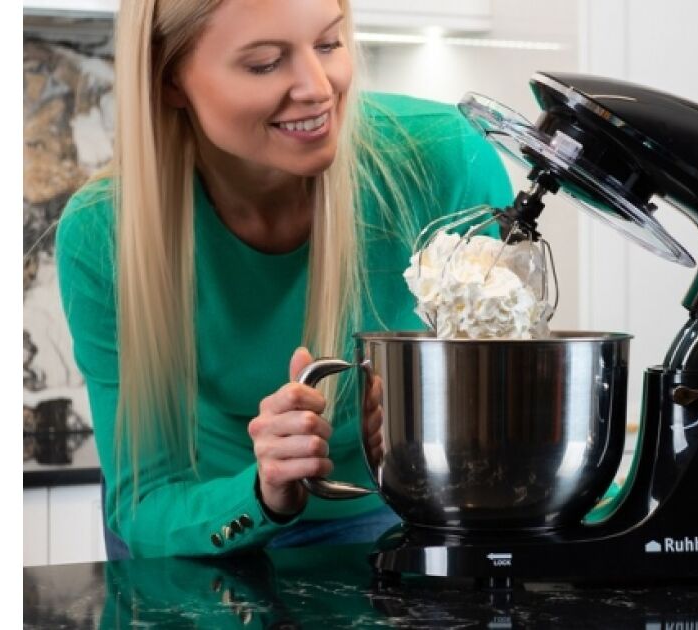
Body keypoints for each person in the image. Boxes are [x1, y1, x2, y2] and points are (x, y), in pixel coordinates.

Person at [55, 0, 513, 559]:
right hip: (200, 526)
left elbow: (502, 424)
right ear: (168, 78)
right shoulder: (102, 233)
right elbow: (145, 504)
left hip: (389, 516)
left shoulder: (448, 160)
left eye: (328, 44)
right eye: (265, 63)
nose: (319, 88)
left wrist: (433, 432)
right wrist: (263, 490)